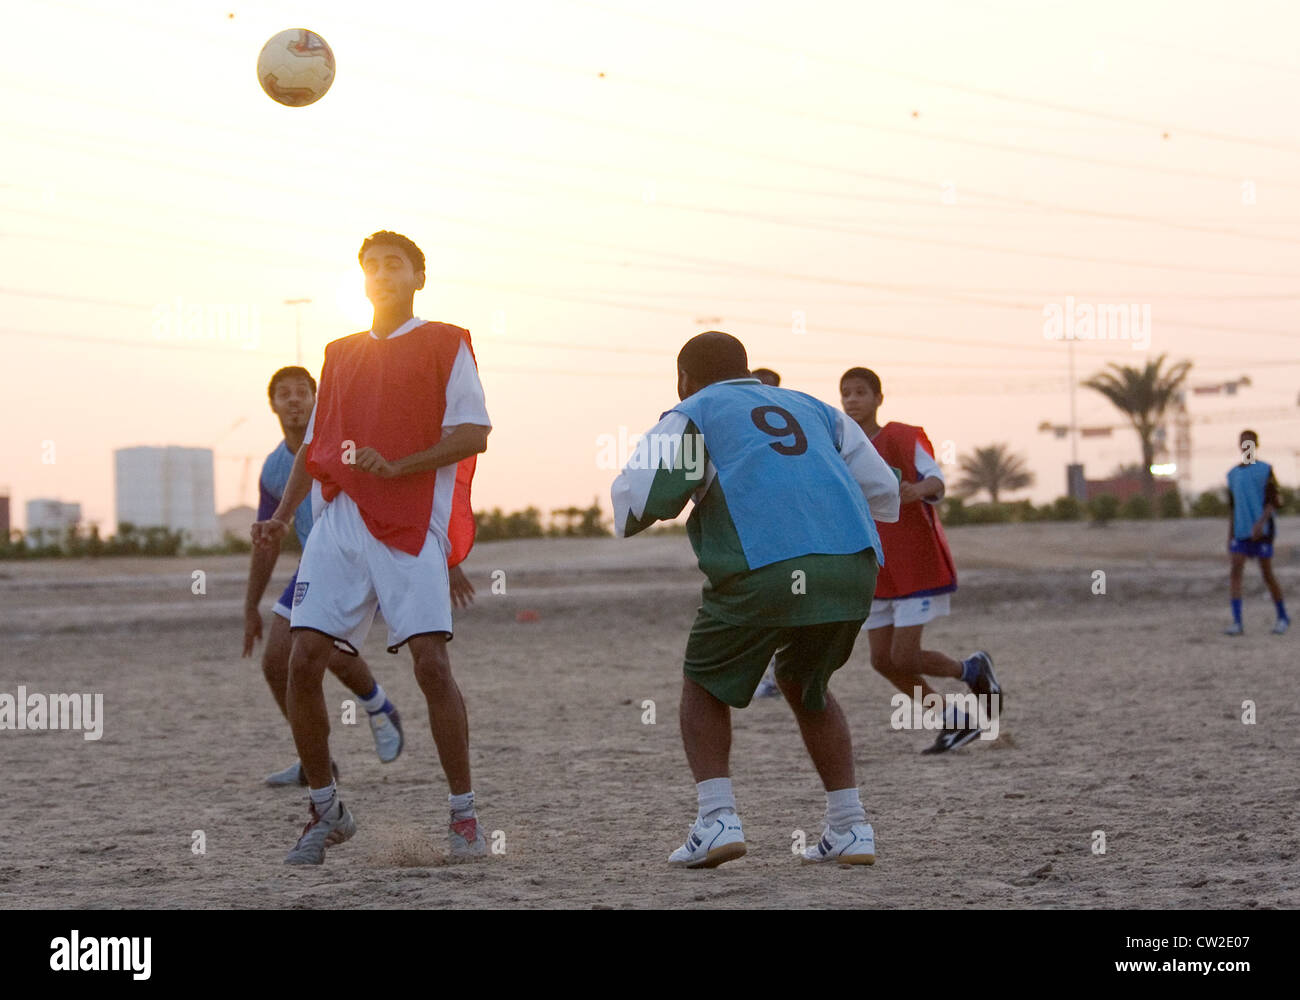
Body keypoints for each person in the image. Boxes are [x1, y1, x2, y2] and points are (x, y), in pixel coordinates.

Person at [612, 332, 899, 868]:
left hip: (765, 566)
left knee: (703, 682)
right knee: (805, 683)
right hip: (852, 565)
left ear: (684, 378)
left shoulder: (693, 410)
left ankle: (717, 819)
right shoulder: (814, 407)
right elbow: (882, 491)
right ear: (746, 368)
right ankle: (851, 826)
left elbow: (639, 503)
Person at [252, 231, 491, 865]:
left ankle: (463, 816)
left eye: (396, 265)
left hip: (411, 521)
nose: (383, 274)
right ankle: (326, 810)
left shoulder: (447, 342)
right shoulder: (339, 353)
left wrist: (402, 465)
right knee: (303, 659)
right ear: (362, 281)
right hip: (340, 521)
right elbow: (314, 446)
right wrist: (279, 517)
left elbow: (474, 433)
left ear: (418, 277)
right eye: (372, 267)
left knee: (430, 667)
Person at [243, 366, 404, 785]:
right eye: (284, 394)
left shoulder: (342, 447)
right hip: (315, 566)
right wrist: (249, 607)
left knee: (313, 649)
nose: (294, 400)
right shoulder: (276, 468)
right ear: (273, 404)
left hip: (356, 557)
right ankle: (318, 760)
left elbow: (388, 492)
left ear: (317, 401)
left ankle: (375, 707)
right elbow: (267, 540)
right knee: (279, 662)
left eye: (302, 392)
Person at [839, 366, 1000, 754]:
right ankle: (953, 718)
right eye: (846, 393)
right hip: (875, 568)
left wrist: (917, 489)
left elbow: (937, 481)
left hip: (915, 565)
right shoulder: (841, 447)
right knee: (882, 661)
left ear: (879, 398)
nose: (852, 400)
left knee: (905, 656)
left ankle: (972, 669)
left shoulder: (903, 437)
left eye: (861, 392)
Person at [1225, 429, 1289, 635]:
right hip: (1240, 531)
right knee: (1235, 570)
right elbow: (1233, 507)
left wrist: (1260, 523)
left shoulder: (1265, 470)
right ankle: (1237, 622)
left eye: (1250, 442)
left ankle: (1282, 616)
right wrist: (1230, 534)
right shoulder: (1233, 474)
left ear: (1256, 445)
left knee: (1267, 573)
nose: (1246, 446)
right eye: (1243, 442)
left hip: (1262, 532)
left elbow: (1274, 501)